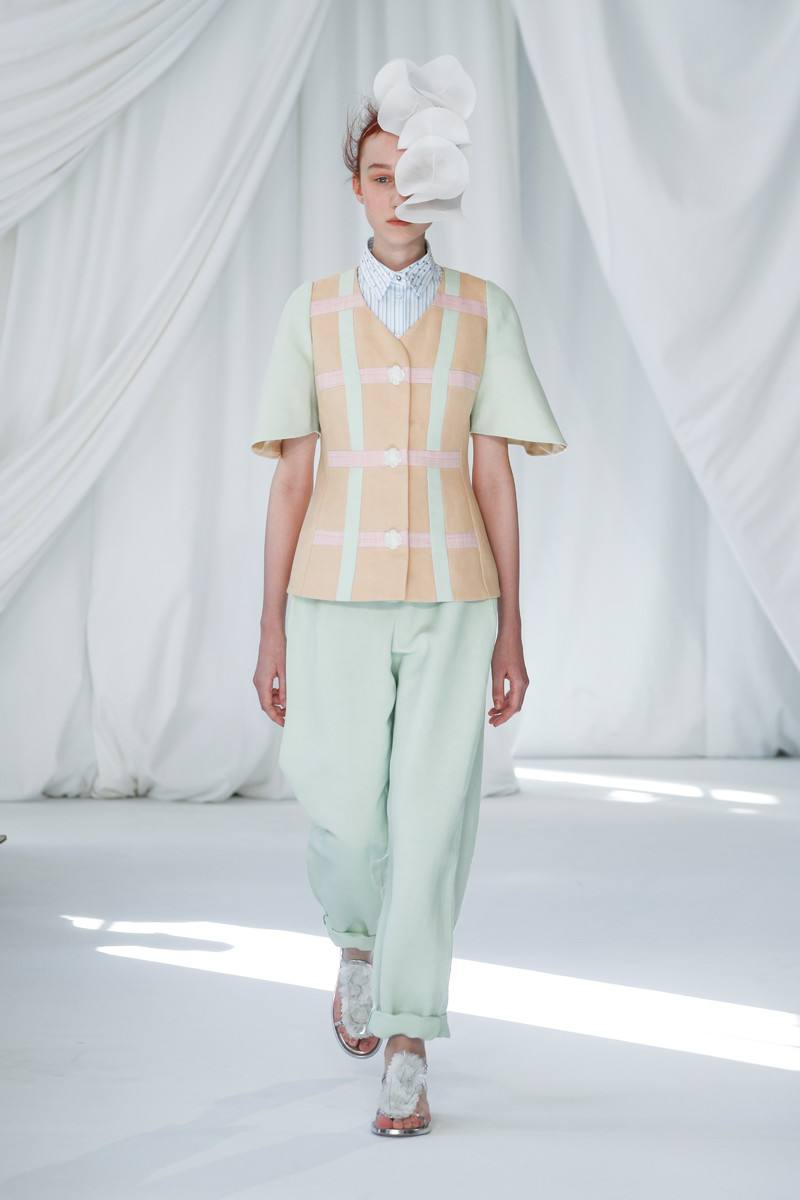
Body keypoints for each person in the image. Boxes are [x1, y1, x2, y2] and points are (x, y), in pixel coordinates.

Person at [251, 55, 567, 1138]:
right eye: (379, 177)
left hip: (451, 600)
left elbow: (494, 480)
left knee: (431, 826)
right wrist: (267, 628)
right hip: (329, 597)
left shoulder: (483, 313)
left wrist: (512, 629)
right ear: (357, 187)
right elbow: (292, 479)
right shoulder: (312, 314)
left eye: (412, 176)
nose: (397, 195)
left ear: (441, 185)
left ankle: (407, 1037)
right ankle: (354, 938)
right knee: (342, 816)